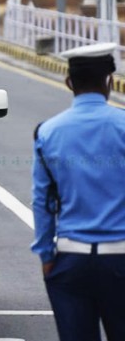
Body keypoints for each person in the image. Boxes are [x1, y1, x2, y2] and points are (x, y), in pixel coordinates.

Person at [32, 42, 125, 341]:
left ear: (69, 82)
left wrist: (46, 255)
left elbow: (42, 201)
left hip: (71, 260)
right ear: (110, 80)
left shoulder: (47, 132)